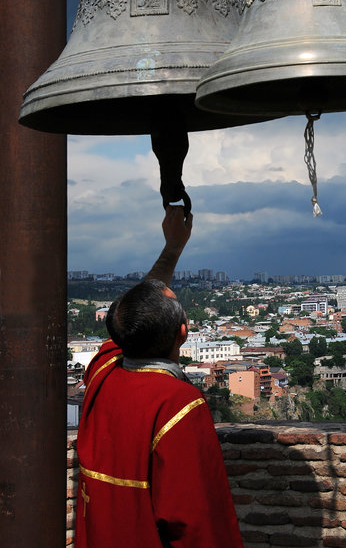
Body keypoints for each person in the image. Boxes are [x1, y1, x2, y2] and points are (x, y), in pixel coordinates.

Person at [75, 206, 244, 548]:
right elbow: (196, 517)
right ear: (183, 332)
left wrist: (172, 247)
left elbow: (135, 309)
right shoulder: (177, 402)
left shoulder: (103, 369)